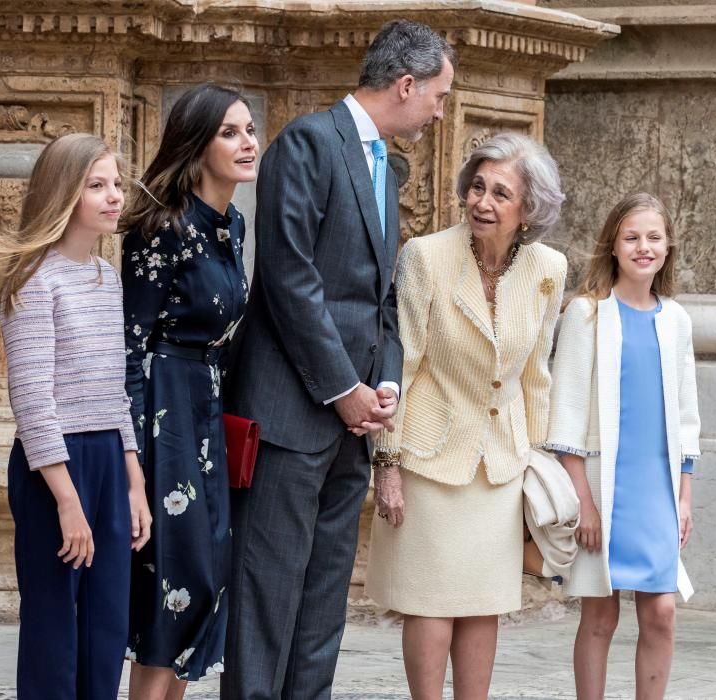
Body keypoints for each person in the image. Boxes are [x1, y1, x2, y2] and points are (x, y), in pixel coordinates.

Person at [220, 20, 455, 700]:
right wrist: (341, 388)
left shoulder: (386, 167)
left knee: (323, 603)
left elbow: (381, 294)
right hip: (290, 416)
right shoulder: (307, 143)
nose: (440, 111)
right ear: (406, 85)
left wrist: (382, 383)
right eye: (438, 96)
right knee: (266, 597)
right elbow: (290, 279)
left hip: (352, 427)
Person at [365, 133, 567, 700]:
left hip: (501, 463)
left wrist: (538, 464)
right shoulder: (426, 256)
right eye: (477, 186)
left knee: (485, 603)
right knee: (430, 601)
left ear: (528, 209)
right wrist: (387, 462)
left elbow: (535, 376)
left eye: (501, 193)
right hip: (427, 458)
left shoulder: (549, 268)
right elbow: (399, 364)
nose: (483, 201)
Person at [0, 133, 151, 699]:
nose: (114, 197)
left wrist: (134, 481)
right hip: (53, 467)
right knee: (54, 628)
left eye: (117, 184)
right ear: (63, 193)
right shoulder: (32, 281)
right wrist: (68, 501)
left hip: (106, 455)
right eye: (96, 185)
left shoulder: (106, 279)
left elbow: (114, 391)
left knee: (106, 624)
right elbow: (32, 403)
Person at [121, 83, 258, 699]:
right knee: (169, 591)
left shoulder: (233, 223)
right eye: (230, 132)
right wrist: (131, 464)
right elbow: (129, 345)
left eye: (250, 129)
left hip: (205, 414)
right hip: (163, 419)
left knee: (201, 588)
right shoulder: (162, 228)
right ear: (197, 145)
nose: (248, 142)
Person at [546, 192, 701, 700]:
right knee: (600, 612)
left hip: (657, 491)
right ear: (613, 245)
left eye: (653, 237)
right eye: (631, 237)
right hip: (603, 489)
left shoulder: (675, 319)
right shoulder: (586, 315)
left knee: (660, 612)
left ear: (668, 246)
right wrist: (583, 503)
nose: (643, 247)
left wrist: (684, 495)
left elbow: (685, 415)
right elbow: (565, 414)